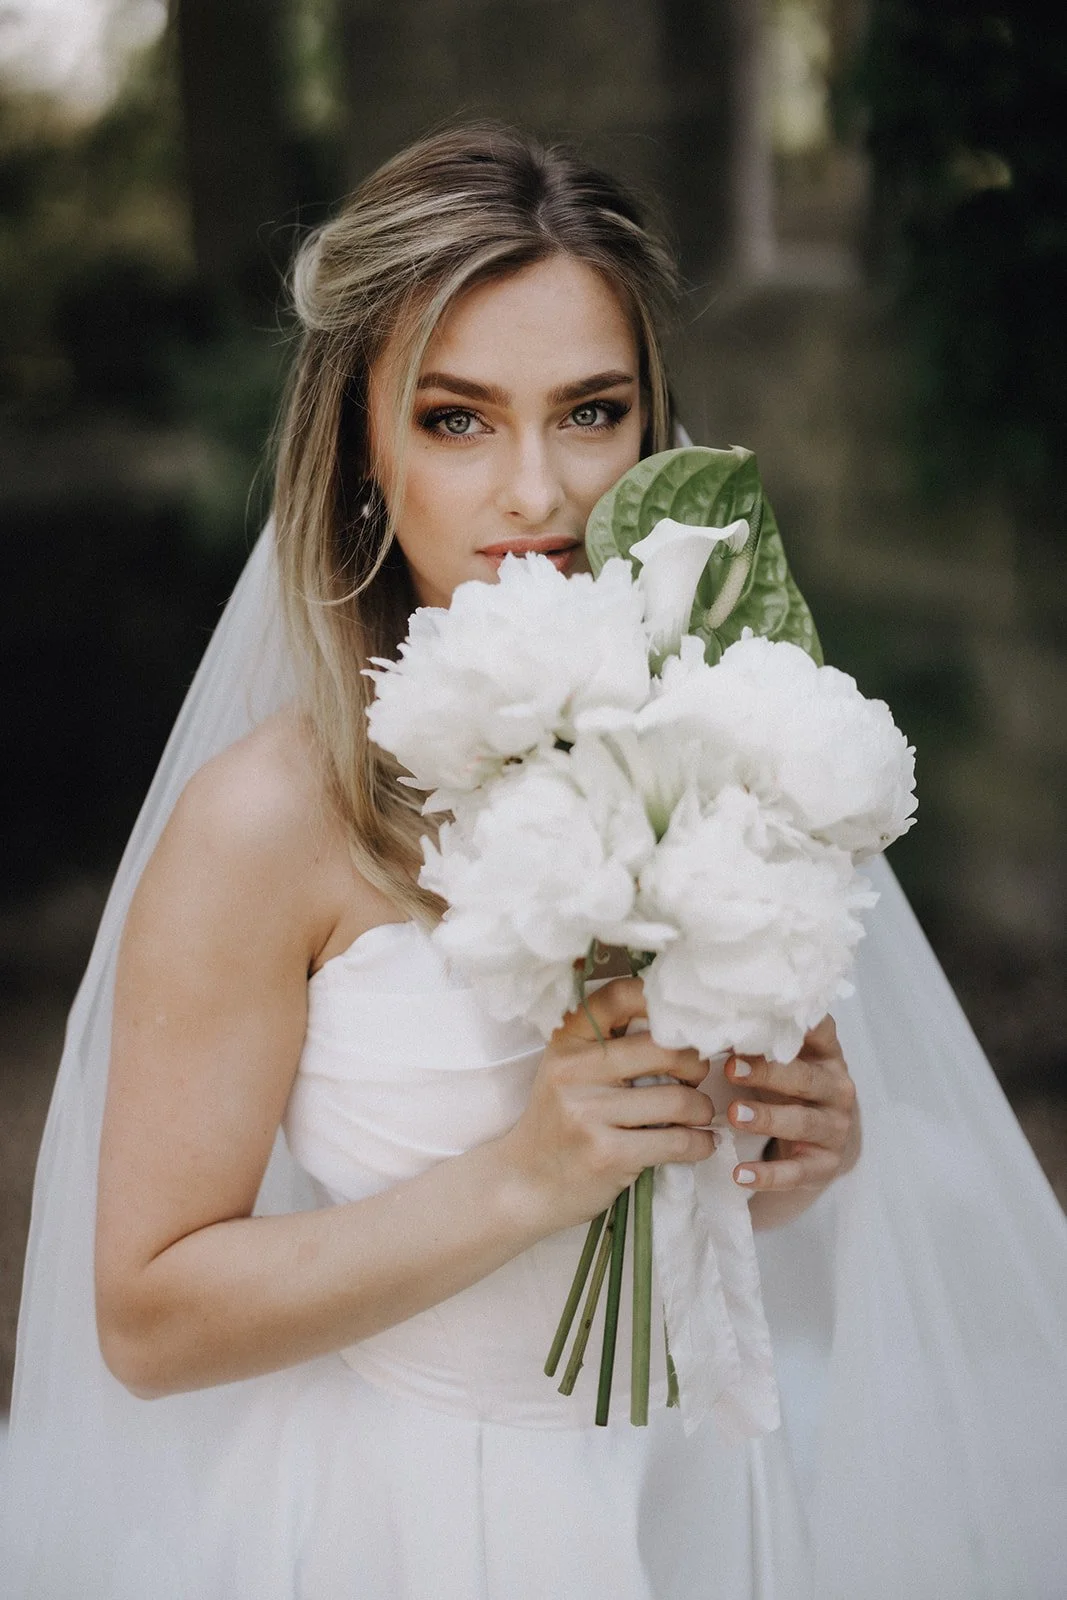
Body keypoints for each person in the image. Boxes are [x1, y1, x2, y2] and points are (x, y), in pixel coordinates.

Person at [3, 121, 1066, 1600]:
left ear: (650, 429)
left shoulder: (717, 730)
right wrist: (524, 1175)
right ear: (361, 445)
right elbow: (149, 1319)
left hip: (694, 1485)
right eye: (455, 419)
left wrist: (779, 1153)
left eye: (589, 412)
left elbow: (691, 1188)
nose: (536, 491)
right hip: (433, 1520)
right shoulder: (272, 821)